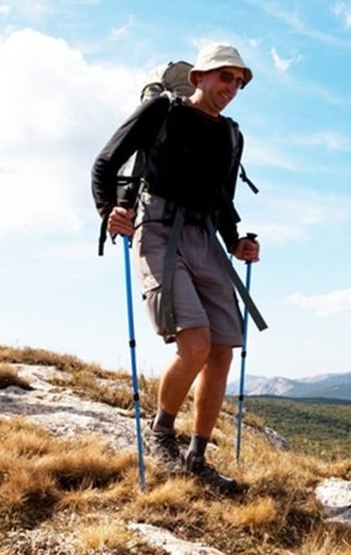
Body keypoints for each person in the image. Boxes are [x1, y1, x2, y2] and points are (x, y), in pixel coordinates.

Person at [91, 43, 261, 491]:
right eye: (225, 77)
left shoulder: (230, 135)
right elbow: (106, 161)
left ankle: (197, 457)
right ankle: (161, 433)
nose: (232, 87)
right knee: (197, 343)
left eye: (239, 82)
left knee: (223, 349)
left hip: (205, 236)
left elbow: (223, 199)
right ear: (199, 77)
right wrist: (109, 208)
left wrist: (238, 240)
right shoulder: (161, 111)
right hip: (159, 229)